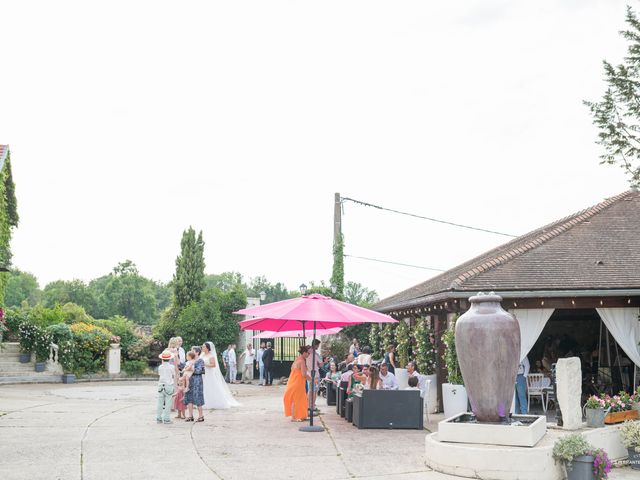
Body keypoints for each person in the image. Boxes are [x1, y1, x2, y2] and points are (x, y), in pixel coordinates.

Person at [201, 341, 240, 409]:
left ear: (207, 348)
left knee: (210, 387)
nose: (202, 347)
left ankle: (212, 402)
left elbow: (213, 365)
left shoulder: (211, 356)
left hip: (209, 373)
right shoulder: (202, 355)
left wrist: (205, 365)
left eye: (204, 346)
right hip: (203, 373)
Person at [283, 345, 311, 422]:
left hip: (293, 381)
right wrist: (312, 379)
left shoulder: (296, 360)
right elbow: (304, 374)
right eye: (308, 353)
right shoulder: (302, 361)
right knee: (297, 399)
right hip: (298, 383)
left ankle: (300, 415)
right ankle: (295, 417)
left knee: (297, 399)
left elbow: (293, 370)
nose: (309, 354)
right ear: (304, 353)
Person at [184, 346, 205, 422]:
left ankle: (201, 416)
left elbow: (200, 371)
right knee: (189, 397)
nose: (191, 352)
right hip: (189, 380)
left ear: (197, 352)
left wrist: (191, 369)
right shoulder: (189, 360)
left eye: (193, 351)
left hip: (197, 381)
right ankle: (190, 416)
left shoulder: (200, 361)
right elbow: (183, 367)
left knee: (198, 397)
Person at [157, 349, 176, 424]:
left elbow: (160, 375)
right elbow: (173, 375)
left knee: (160, 403)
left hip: (161, 385)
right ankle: (166, 418)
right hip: (169, 385)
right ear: (169, 358)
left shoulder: (160, 367)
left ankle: (158, 418)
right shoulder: (171, 367)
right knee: (168, 403)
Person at [306, 339, 323, 412]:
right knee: (314, 391)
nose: (318, 347)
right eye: (318, 345)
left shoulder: (307, 352)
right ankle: (312, 406)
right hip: (315, 374)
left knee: (310, 390)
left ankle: (308, 405)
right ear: (315, 345)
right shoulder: (315, 354)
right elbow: (321, 364)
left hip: (308, 374)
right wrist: (318, 365)